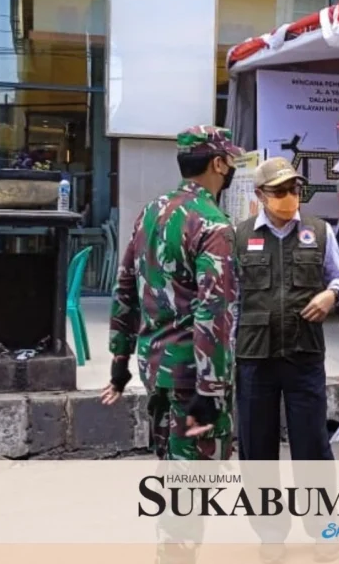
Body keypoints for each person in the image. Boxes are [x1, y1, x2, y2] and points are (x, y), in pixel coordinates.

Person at [103, 125, 243, 462]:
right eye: (231, 163)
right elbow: (214, 309)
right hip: (193, 379)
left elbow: (125, 287)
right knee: (194, 487)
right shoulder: (213, 225)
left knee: (172, 472)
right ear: (219, 164)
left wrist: (119, 361)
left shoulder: (151, 212)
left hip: (155, 370)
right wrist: (209, 390)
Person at [234, 156, 339, 460]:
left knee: (312, 444)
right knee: (256, 446)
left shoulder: (319, 231)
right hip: (255, 356)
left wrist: (331, 296)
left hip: (304, 354)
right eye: (280, 191)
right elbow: (230, 299)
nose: (289, 197)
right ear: (260, 195)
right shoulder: (240, 236)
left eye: (294, 189)